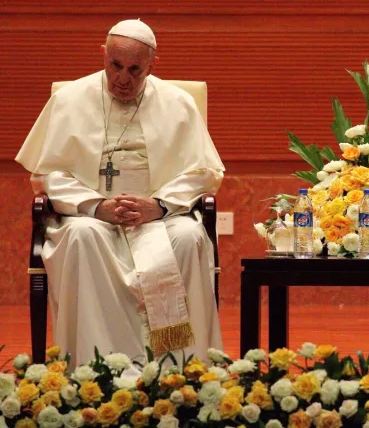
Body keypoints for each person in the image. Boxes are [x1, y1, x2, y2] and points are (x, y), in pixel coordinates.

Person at [16, 19, 225, 366]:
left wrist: (158, 205)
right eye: (115, 66)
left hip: (159, 215)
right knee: (82, 237)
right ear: (103, 54)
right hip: (90, 214)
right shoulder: (69, 100)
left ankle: (177, 367)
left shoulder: (178, 102)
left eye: (135, 70)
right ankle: (96, 365)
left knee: (188, 237)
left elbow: (204, 171)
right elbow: (47, 173)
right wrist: (96, 206)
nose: (123, 79)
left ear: (153, 65)